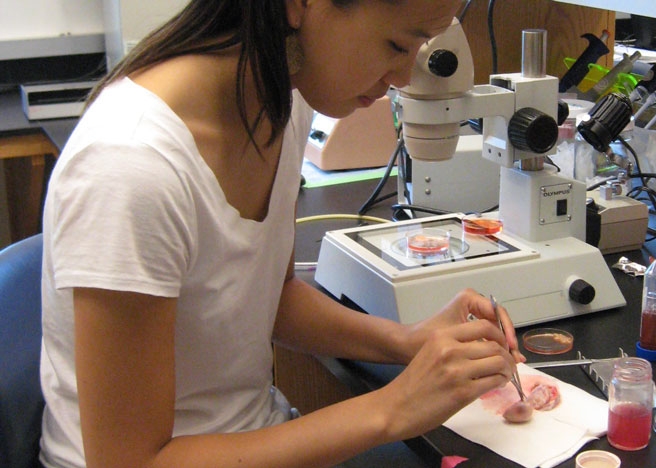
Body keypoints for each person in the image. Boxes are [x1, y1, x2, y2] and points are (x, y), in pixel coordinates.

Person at [38, 0, 525, 467]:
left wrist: (407, 341)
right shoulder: (131, 168)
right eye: (397, 46)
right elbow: (131, 462)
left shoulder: (283, 103)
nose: (401, 79)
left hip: (255, 435)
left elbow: (272, 297)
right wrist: (394, 407)